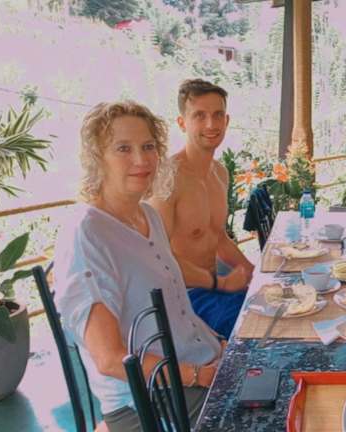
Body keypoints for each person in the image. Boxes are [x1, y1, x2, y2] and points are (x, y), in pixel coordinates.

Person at [54, 101, 223, 431]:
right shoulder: (87, 233)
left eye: (148, 146)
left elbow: (178, 311)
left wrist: (218, 346)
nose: (141, 160)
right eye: (123, 148)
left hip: (194, 366)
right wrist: (198, 375)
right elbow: (109, 359)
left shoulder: (147, 216)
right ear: (97, 158)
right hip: (148, 398)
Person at [150, 79, 254, 339]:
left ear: (226, 121)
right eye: (199, 115)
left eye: (218, 115)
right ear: (182, 123)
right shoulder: (168, 179)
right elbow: (157, 257)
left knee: (282, 308)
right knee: (256, 328)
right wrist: (221, 283)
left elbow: (219, 237)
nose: (211, 124)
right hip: (183, 295)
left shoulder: (220, 173)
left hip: (215, 288)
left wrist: (256, 275)